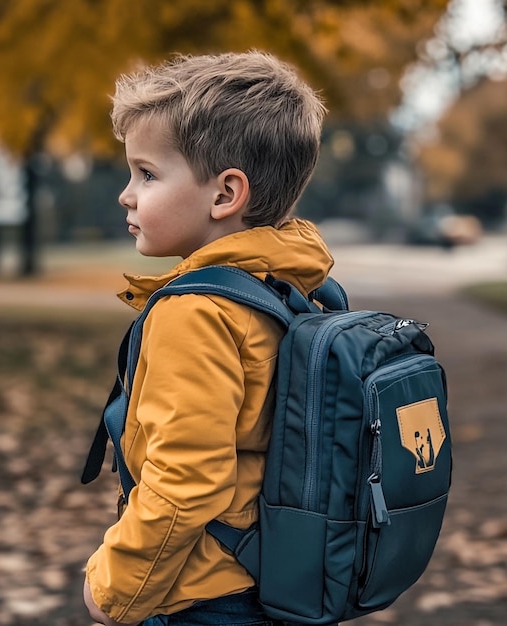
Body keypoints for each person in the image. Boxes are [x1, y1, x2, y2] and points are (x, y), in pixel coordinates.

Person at [83, 50, 334, 626]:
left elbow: (188, 480)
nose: (127, 193)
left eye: (146, 174)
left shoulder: (196, 311)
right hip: (271, 574)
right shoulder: (286, 284)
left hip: (199, 597)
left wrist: (113, 589)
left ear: (225, 195)